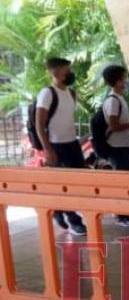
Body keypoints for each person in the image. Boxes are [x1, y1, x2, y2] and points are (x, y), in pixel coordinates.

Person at [35, 57, 87, 236]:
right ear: (56, 73)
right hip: (56, 146)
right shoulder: (47, 93)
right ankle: (74, 221)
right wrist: (48, 149)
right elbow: (39, 123)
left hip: (72, 144)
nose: (70, 74)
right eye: (67, 71)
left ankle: (57, 210)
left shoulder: (71, 93)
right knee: (65, 185)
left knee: (78, 182)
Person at [101, 64, 129, 227]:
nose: (126, 81)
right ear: (117, 81)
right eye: (124, 78)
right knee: (122, 182)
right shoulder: (113, 101)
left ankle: (126, 213)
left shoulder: (118, 98)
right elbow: (114, 125)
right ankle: (121, 215)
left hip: (123, 146)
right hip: (116, 147)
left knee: (128, 180)